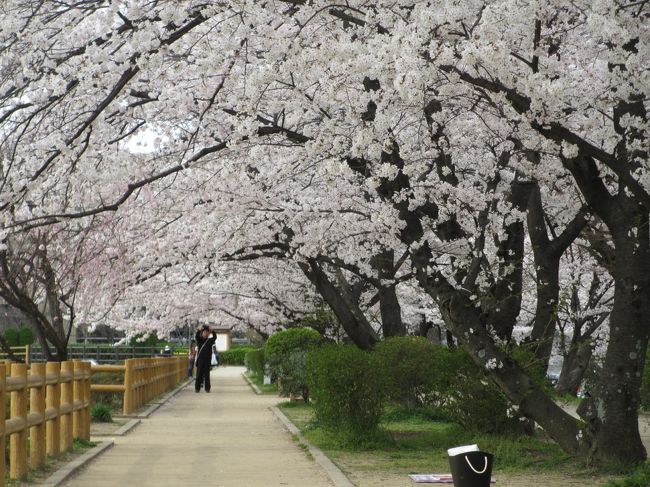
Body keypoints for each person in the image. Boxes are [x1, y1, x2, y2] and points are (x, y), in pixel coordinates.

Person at [195, 325, 217, 393]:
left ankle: (207, 388)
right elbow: (196, 336)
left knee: (207, 374)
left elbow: (215, 337)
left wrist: (212, 331)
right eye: (204, 332)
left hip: (207, 359)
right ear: (202, 333)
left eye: (207, 332)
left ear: (208, 333)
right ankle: (197, 388)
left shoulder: (210, 340)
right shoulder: (200, 340)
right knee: (199, 374)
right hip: (200, 360)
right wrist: (199, 330)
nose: (206, 333)